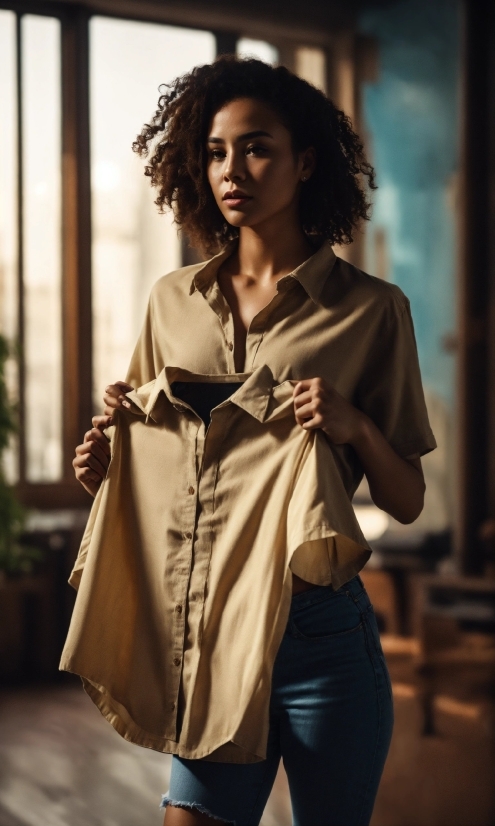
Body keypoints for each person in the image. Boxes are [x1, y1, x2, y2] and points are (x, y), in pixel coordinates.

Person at [72, 56, 435, 826]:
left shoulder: (372, 311)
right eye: (213, 151)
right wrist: (101, 465)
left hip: (321, 642)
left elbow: (406, 501)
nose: (230, 170)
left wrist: (357, 428)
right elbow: (151, 462)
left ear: (305, 162)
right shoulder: (170, 301)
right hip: (203, 633)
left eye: (256, 147)